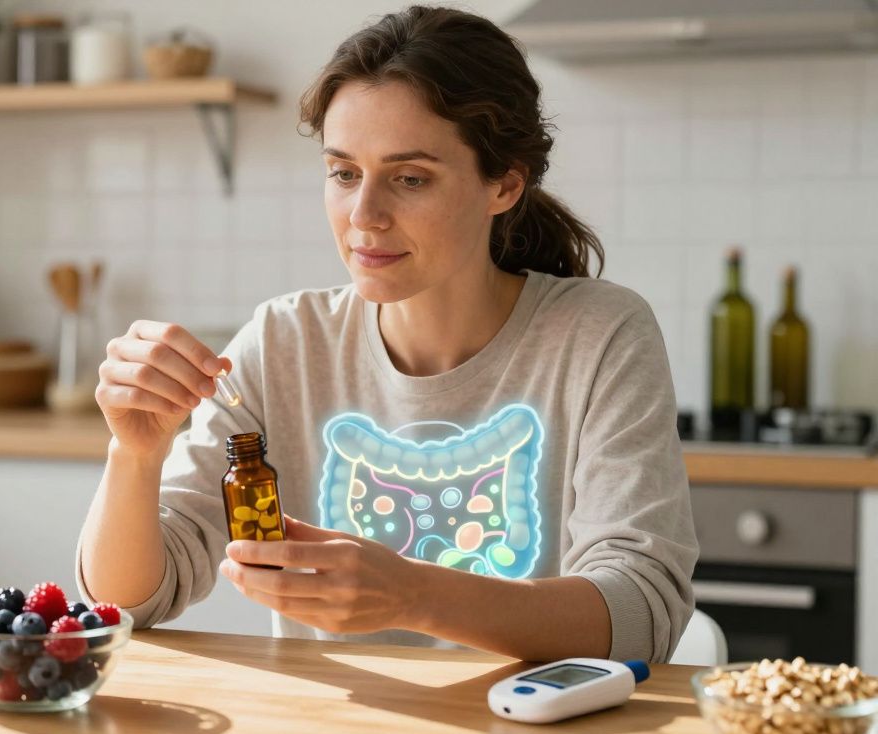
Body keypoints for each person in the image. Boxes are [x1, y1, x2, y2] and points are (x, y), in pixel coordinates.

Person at [77, 5, 697, 663]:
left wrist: (416, 596)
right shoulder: (284, 343)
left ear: (505, 184)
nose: (364, 216)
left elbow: (642, 616)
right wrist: (135, 456)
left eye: (409, 178)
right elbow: (129, 605)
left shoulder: (600, 336)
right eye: (344, 173)